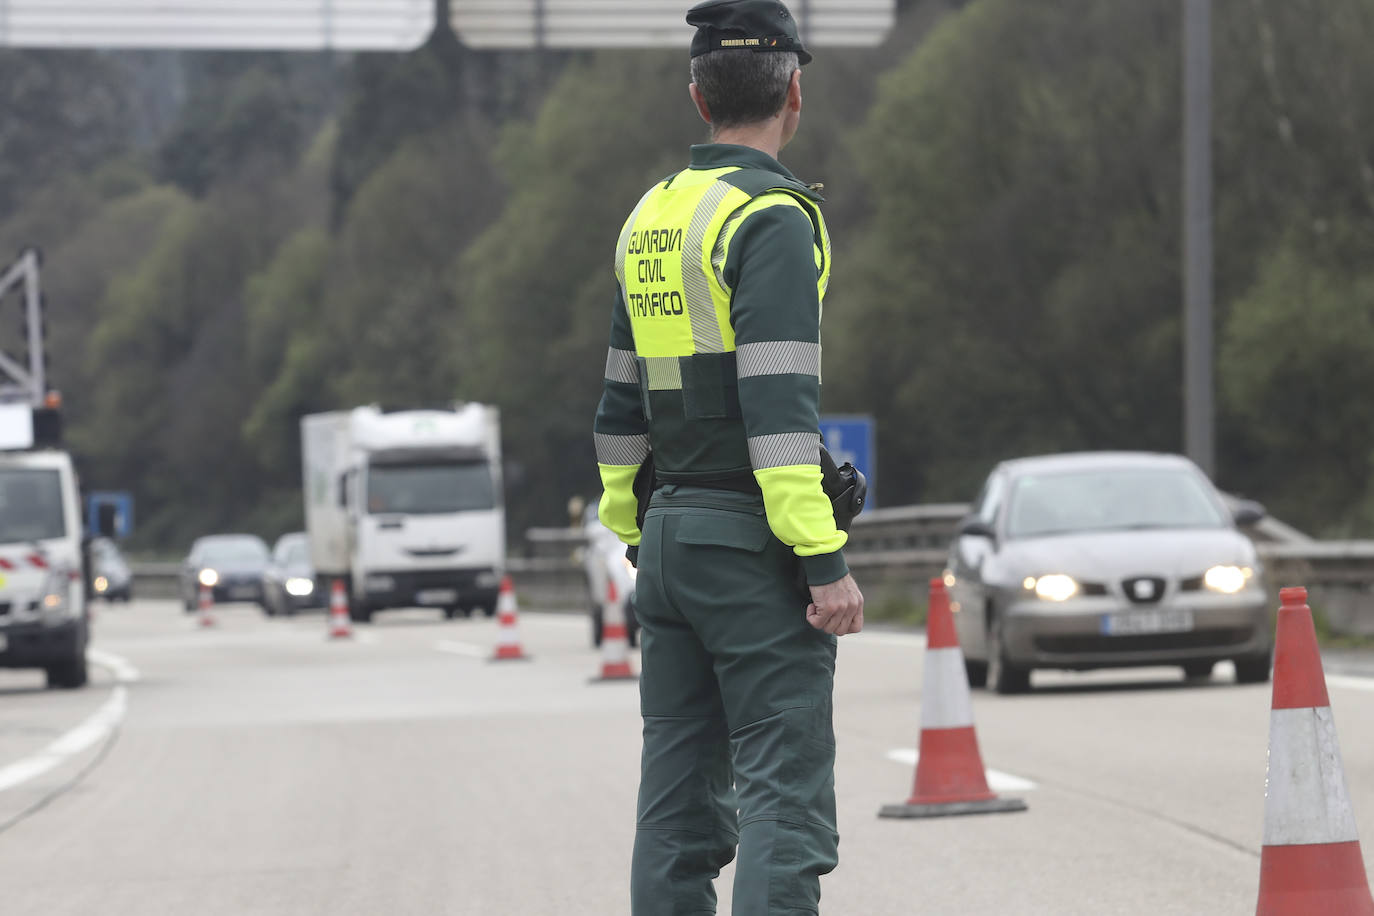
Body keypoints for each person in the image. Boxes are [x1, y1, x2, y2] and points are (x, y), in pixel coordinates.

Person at [592, 2, 864, 912]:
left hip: (667, 545)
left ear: (697, 94)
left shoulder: (651, 217)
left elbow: (620, 404)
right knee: (784, 796)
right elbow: (778, 407)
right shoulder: (772, 217)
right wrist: (821, 559)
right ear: (795, 91)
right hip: (748, 547)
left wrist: (638, 532)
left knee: (675, 806)